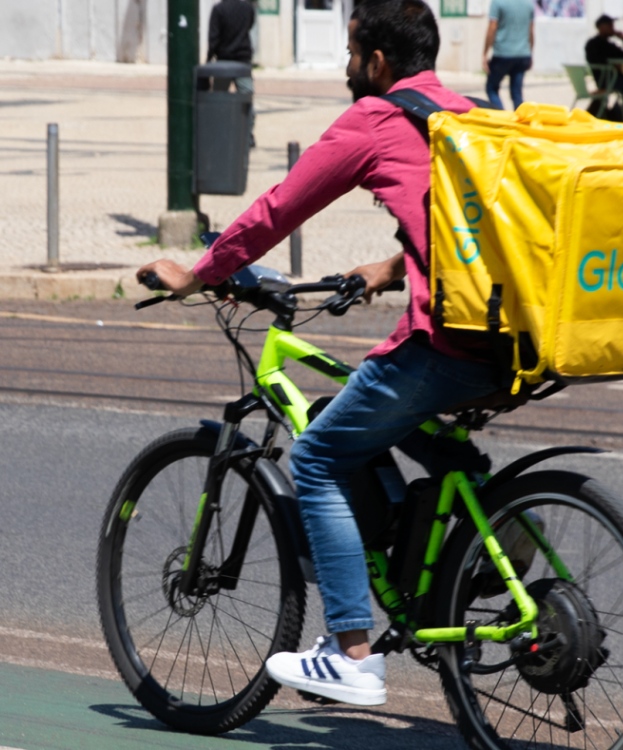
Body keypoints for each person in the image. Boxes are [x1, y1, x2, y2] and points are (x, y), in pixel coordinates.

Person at [136, 0, 508, 707]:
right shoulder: (466, 114)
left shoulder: (375, 118)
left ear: (375, 60)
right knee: (363, 409)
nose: (345, 66)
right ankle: (502, 528)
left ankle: (352, 655)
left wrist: (200, 271)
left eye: (350, 51)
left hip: (446, 341)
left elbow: (281, 208)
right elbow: (479, 228)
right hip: (511, 340)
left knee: (315, 457)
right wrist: (391, 269)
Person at [207, 0, 257, 145]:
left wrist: (209, 59)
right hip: (243, 60)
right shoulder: (248, 8)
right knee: (246, 97)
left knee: (218, 98)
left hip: (223, 62)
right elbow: (250, 25)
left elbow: (213, 39)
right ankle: (248, 134)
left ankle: (216, 131)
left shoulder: (219, 9)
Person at [584, 14, 623, 126]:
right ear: (601, 27)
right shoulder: (592, 44)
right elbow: (594, 60)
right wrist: (613, 65)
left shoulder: (611, 45)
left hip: (619, 78)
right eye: (609, 25)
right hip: (606, 80)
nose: (613, 27)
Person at [484, 0, 535, 110]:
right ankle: (522, 122)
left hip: (502, 54)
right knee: (517, 93)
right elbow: (531, 32)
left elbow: (492, 29)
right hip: (523, 54)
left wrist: (485, 52)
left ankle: (501, 118)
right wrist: (530, 52)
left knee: (491, 88)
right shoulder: (528, 3)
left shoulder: (498, 2)